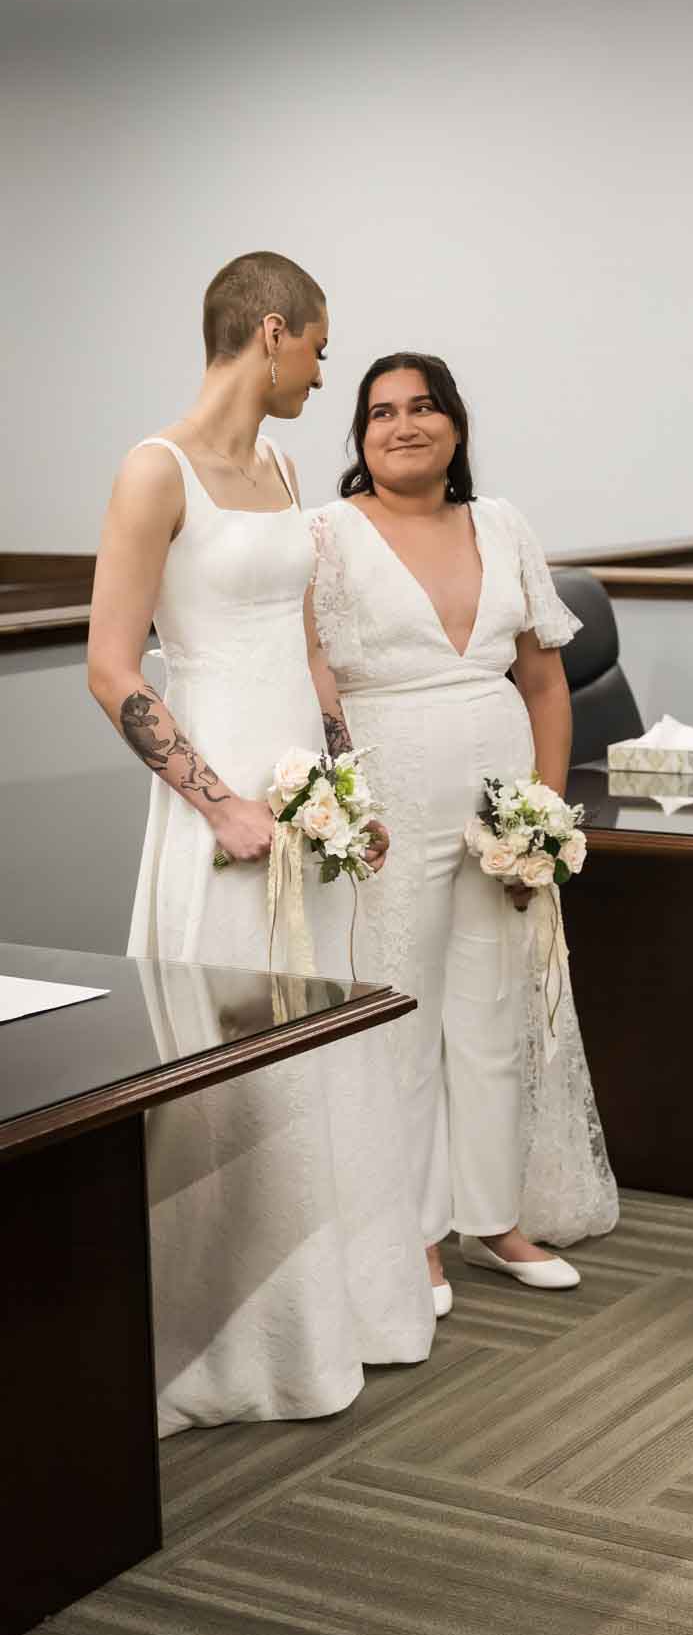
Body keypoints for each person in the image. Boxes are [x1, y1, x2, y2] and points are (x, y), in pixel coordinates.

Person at [87, 253, 434, 1434]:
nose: (326, 369)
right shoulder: (155, 468)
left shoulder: (284, 467)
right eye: (321, 346)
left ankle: (331, 1314)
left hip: (307, 805)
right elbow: (112, 666)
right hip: (222, 809)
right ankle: (225, 1343)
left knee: (321, 1042)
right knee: (232, 1057)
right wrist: (219, 801)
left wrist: (347, 775)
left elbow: (308, 650)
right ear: (273, 331)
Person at [307, 351, 618, 1315]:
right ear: (358, 436)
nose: (403, 425)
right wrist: (344, 801)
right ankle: (415, 1231)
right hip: (389, 800)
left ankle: (494, 1217)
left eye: (424, 407)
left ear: (455, 426)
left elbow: (543, 681)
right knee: (401, 1010)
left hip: (498, 796)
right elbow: (314, 676)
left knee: (492, 1014)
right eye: (380, 412)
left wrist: (543, 814)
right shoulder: (325, 534)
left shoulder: (502, 524)